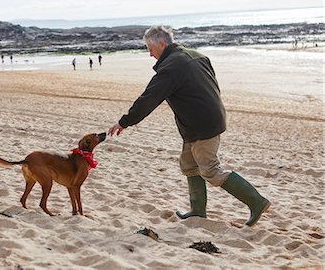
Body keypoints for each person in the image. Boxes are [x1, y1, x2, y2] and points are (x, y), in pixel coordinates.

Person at [108, 25, 271, 227]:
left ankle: (256, 201)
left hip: (202, 125)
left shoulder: (171, 67)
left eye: (150, 49)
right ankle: (197, 211)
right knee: (188, 164)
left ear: (162, 43)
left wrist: (124, 122)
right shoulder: (196, 55)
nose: (150, 54)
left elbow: (149, 98)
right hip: (204, 121)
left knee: (210, 169)